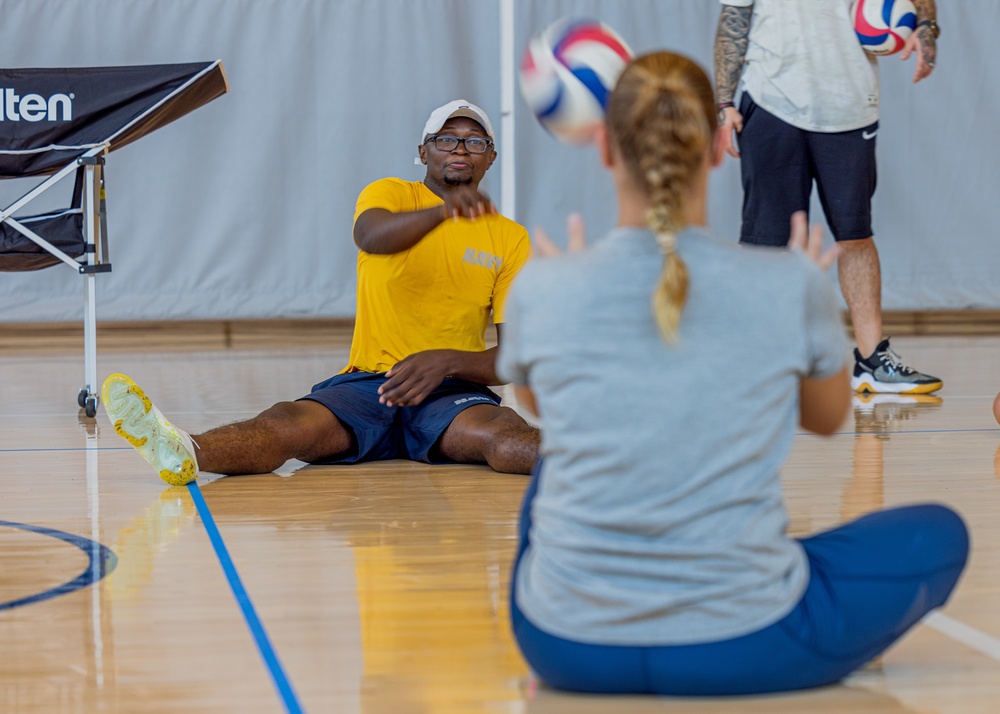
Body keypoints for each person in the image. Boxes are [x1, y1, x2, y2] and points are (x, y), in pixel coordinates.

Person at [496, 51, 967, 696]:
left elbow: (545, 404)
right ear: (722, 145)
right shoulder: (784, 284)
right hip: (746, 644)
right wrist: (806, 302)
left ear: (604, 147)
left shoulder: (542, 287)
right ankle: (765, 598)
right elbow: (829, 420)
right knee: (940, 534)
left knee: (565, 459)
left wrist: (562, 301)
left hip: (564, 646)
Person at [103, 100, 540, 485]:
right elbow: (371, 236)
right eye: (447, 139)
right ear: (423, 152)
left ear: (491, 158)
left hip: (451, 392)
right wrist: (445, 211)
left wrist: (447, 361)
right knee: (286, 424)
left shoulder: (510, 239)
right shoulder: (390, 193)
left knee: (502, 440)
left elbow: (514, 358)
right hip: (370, 384)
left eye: (474, 142)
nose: (460, 149)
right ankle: (183, 448)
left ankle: (596, 463)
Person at [713, 0, 943, 394]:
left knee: (855, 236)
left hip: (850, 106)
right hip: (771, 99)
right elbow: (734, 17)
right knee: (764, 244)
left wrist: (925, 26)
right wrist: (724, 101)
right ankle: (753, 361)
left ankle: (872, 363)